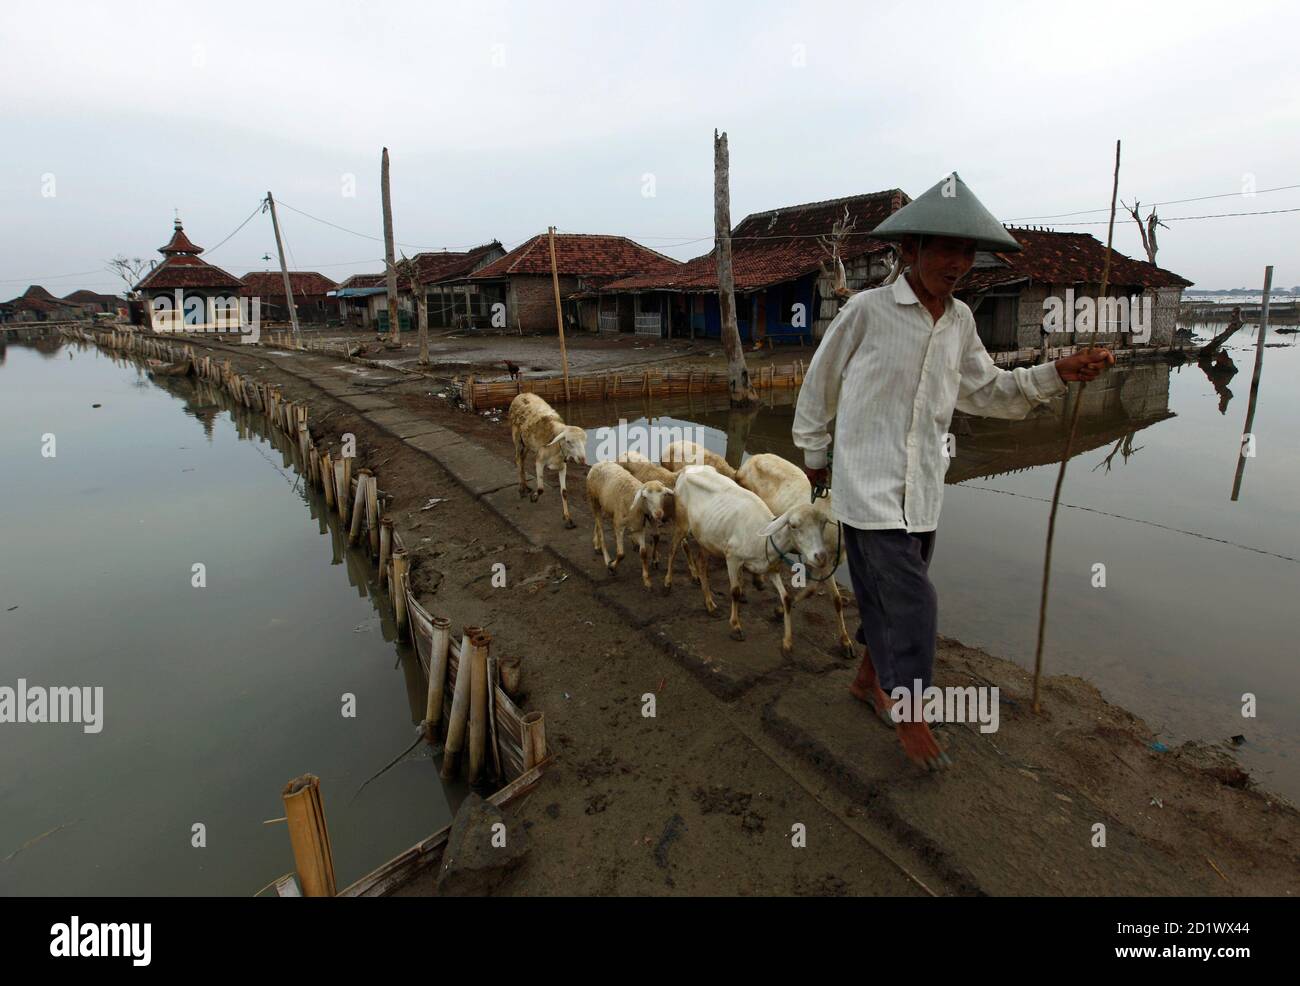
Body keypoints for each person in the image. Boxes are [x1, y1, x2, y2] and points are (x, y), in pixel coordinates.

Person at [792, 173, 1115, 771]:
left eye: (966, 251)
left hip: (924, 490)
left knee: (890, 598)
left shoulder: (960, 320)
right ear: (910, 250)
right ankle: (910, 714)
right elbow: (821, 382)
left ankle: (867, 683)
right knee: (913, 604)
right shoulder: (868, 311)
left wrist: (1058, 373)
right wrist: (813, 456)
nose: (958, 262)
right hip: (866, 491)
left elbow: (987, 389)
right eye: (945, 248)